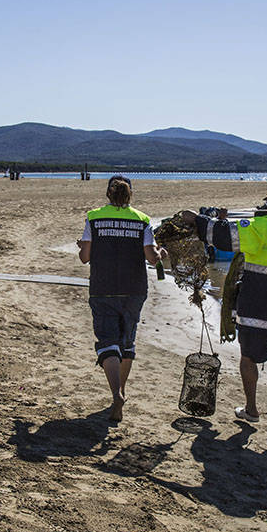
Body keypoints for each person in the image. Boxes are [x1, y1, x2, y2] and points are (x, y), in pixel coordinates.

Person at [180, 185, 267, 440]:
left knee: (249, 358)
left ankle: (252, 409)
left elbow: (223, 236)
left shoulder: (263, 226)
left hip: (259, 307)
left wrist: (196, 219)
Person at [77, 175, 166, 422]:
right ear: (130, 194)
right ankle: (122, 390)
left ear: (108, 194)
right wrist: (160, 252)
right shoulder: (142, 219)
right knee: (127, 343)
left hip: (103, 287)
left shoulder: (94, 217)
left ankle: (116, 393)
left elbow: (85, 257)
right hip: (134, 289)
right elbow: (151, 258)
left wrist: (81, 246)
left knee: (107, 341)